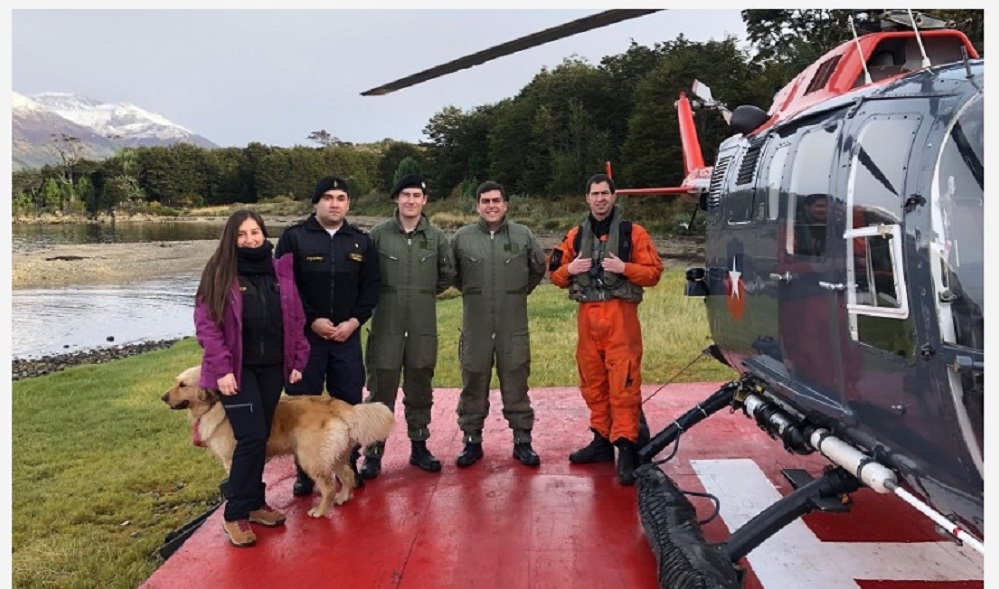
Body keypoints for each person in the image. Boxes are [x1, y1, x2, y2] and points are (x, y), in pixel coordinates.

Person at [194, 210, 311, 547]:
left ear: (264, 234)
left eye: (255, 232)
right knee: (251, 437)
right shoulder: (219, 274)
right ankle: (235, 513)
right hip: (237, 370)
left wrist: (297, 359)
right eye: (242, 234)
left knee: (259, 439)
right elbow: (207, 327)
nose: (250, 239)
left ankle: (256, 503)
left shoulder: (279, 272)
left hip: (272, 368)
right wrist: (224, 369)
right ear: (231, 238)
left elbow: (295, 319)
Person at [547, 173, 663, 485]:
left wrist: (625, 268)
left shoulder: (633, 234)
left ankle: (625, 446)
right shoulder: (575, 235)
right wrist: (569, 270)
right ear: (587, 198)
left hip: (620, 318)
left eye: (605, 193)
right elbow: (554, 273)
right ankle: (601, 440)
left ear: (614, 197)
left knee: (623, 384)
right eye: (594, 194)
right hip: (588, 317)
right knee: (593, 382)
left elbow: (654, 273)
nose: (600, 199)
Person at [274, 175, 380, 496]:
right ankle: (306, 471)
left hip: (346, 337)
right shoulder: (294, 238)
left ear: (348, 203)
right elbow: (284, 286)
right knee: (302, 404)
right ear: (316, 202)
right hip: (305, 339)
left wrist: (353, 321)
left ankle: (347, 466)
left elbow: (371, 288)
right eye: (328, 197)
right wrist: (312, 319)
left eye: (341, 198)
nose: (335, 203)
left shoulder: (361, 241)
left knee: (347, 403)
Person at [359, 174, 455, 478]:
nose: (411, 200)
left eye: (417, 195)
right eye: (405, 195)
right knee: (379, 387)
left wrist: (420, 294)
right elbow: (365, 275)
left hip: (422, 323)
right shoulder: (378, 235)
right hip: (386, 321)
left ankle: (419, 445)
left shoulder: (437, 236)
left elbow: (446, 274)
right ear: (396, 199)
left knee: (419, 384)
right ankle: (373, 453)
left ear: (424, 200)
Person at [450, 180, 546, 468]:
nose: (491, 205)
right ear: (477, 206)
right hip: (476, 323)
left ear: (505, 205)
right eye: (485, 201)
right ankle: (471, 441)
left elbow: (538, 268)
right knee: (473, 380)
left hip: (512, 323)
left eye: (496, 200)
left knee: (516, 378)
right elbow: (453, 274)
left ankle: (522, 440)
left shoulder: (523, 235)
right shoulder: (462, 238)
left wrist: (514, 293)